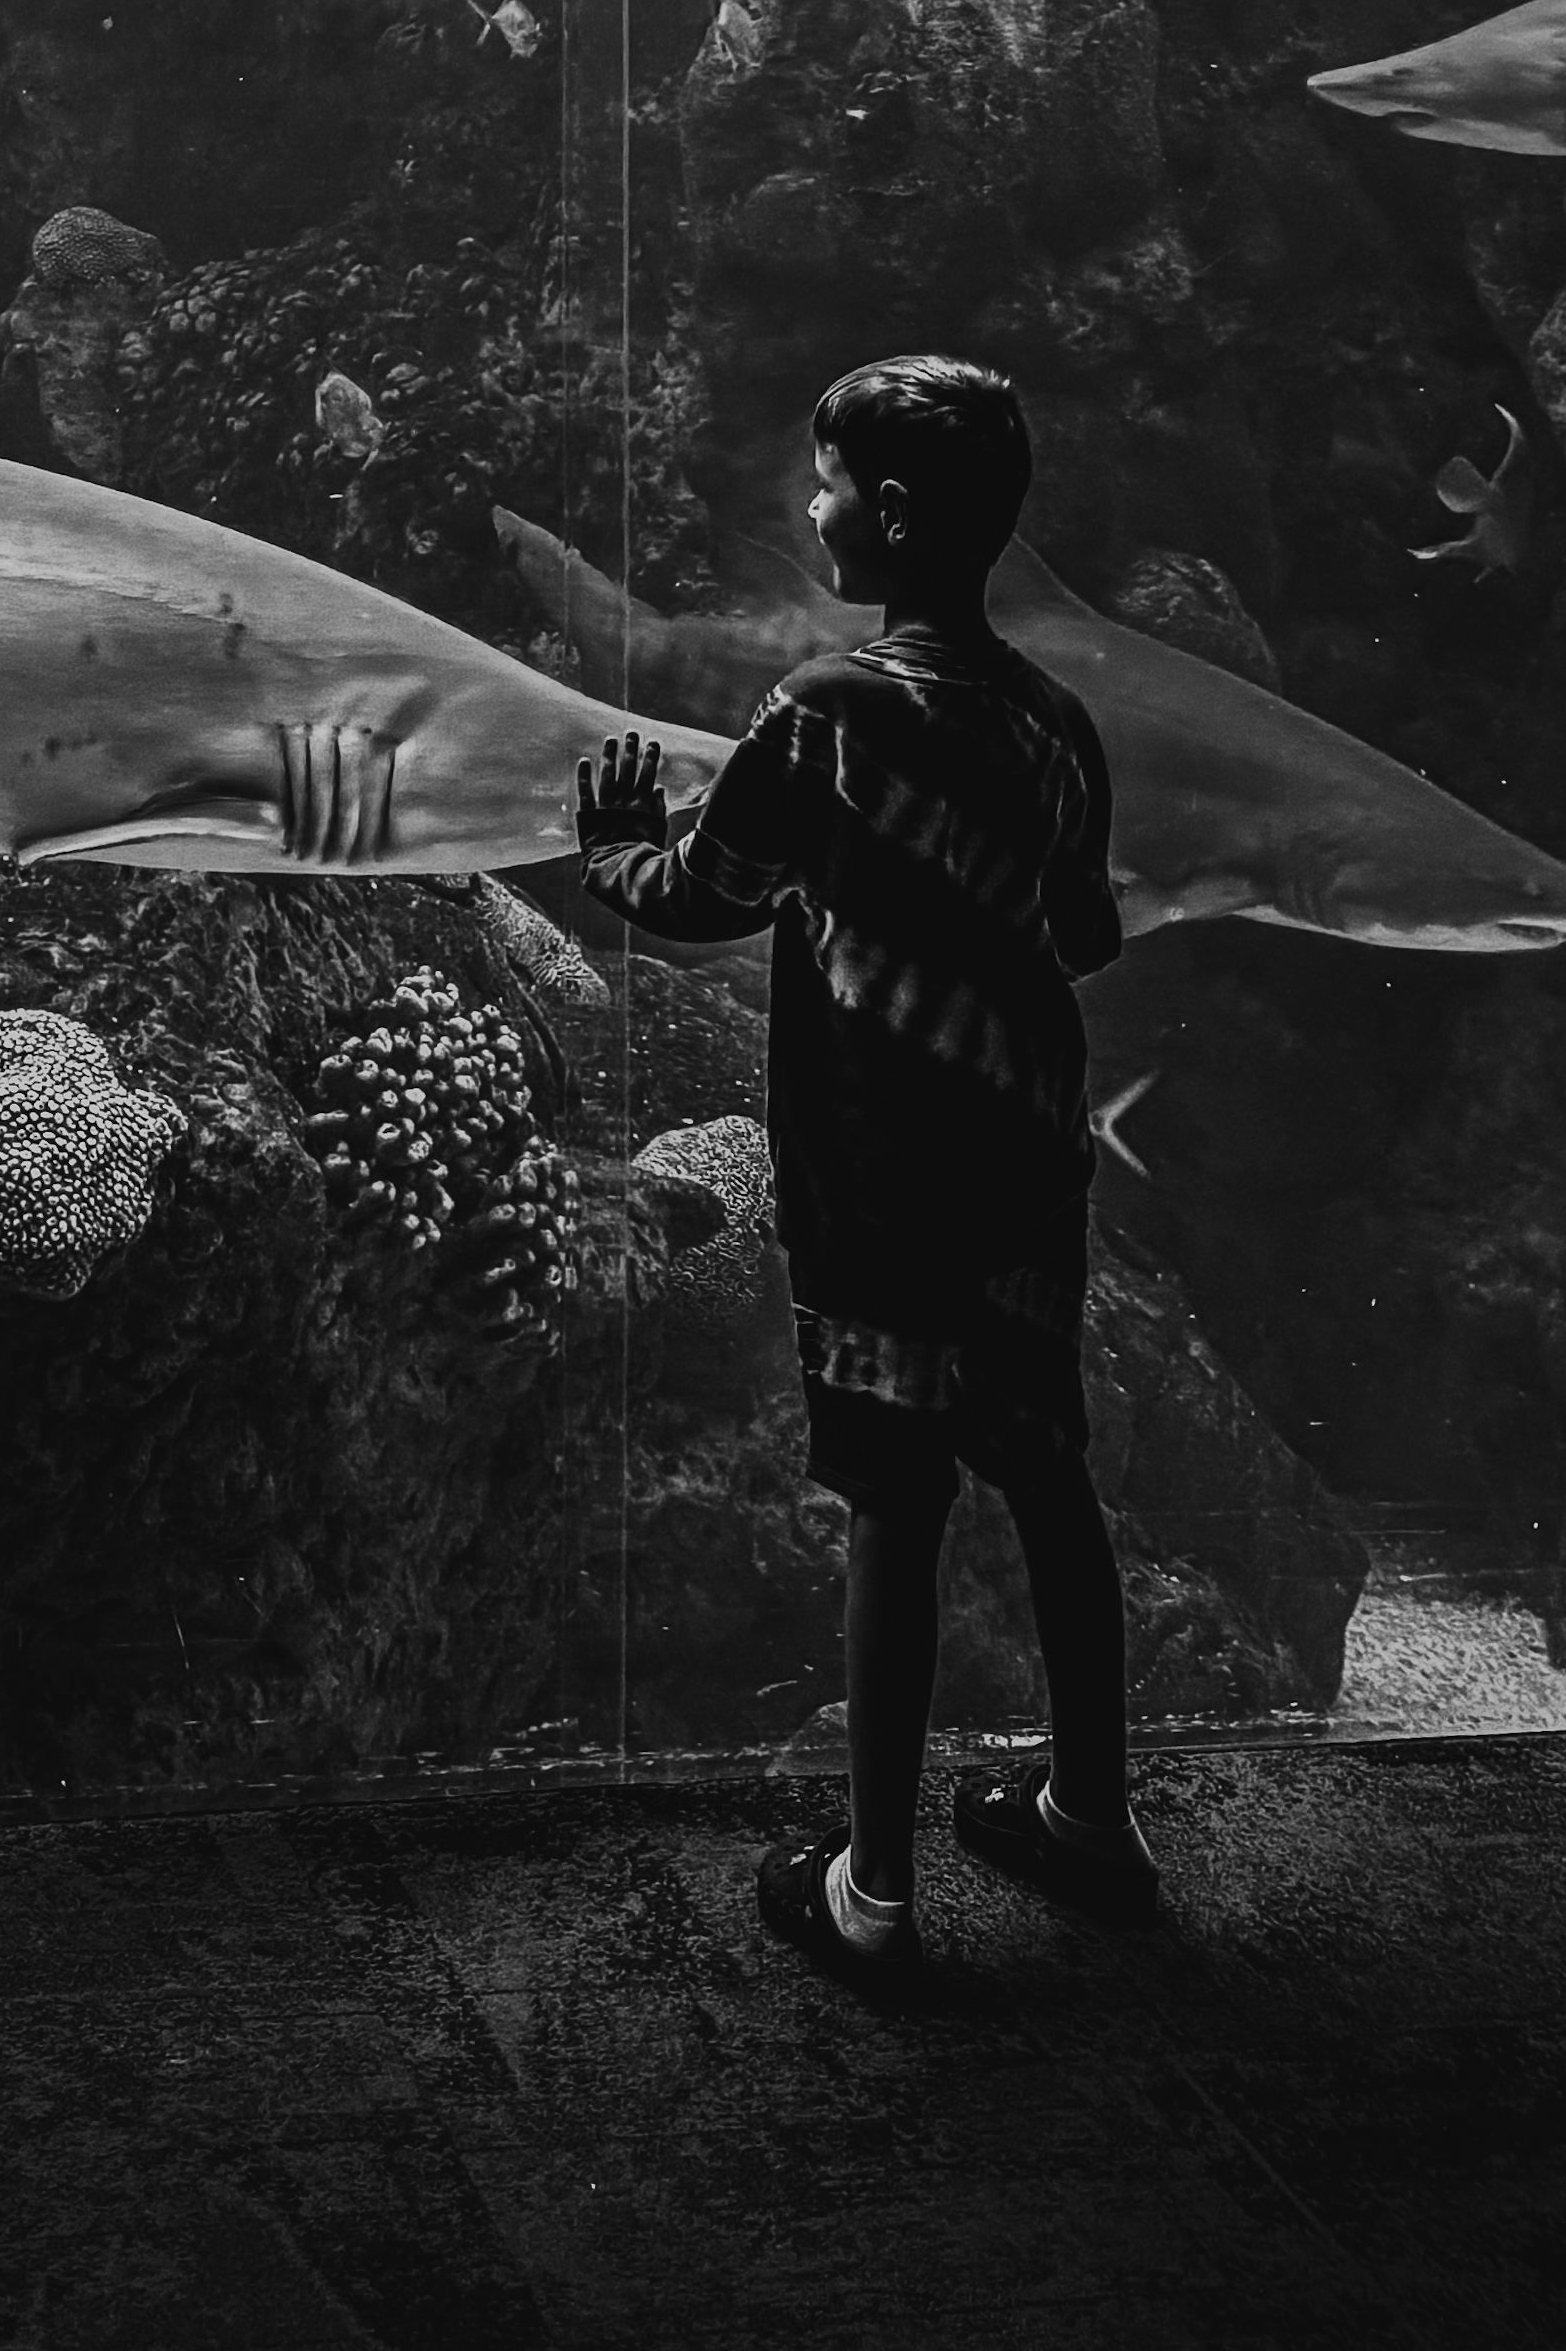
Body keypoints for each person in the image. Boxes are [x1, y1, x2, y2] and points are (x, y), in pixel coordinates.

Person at [572, 356, 1159, 1986]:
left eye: (823, 487)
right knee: (1050, 1486)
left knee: (895, 1513)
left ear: (886, 517)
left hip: (880, 1186)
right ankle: (1091, 1825)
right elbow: (1086, 931)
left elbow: (704, 892)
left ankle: (873, 1893)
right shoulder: (1057, 726)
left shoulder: (823, 716)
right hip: (1026, 1170)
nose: (813, 510)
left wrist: (608, 840)